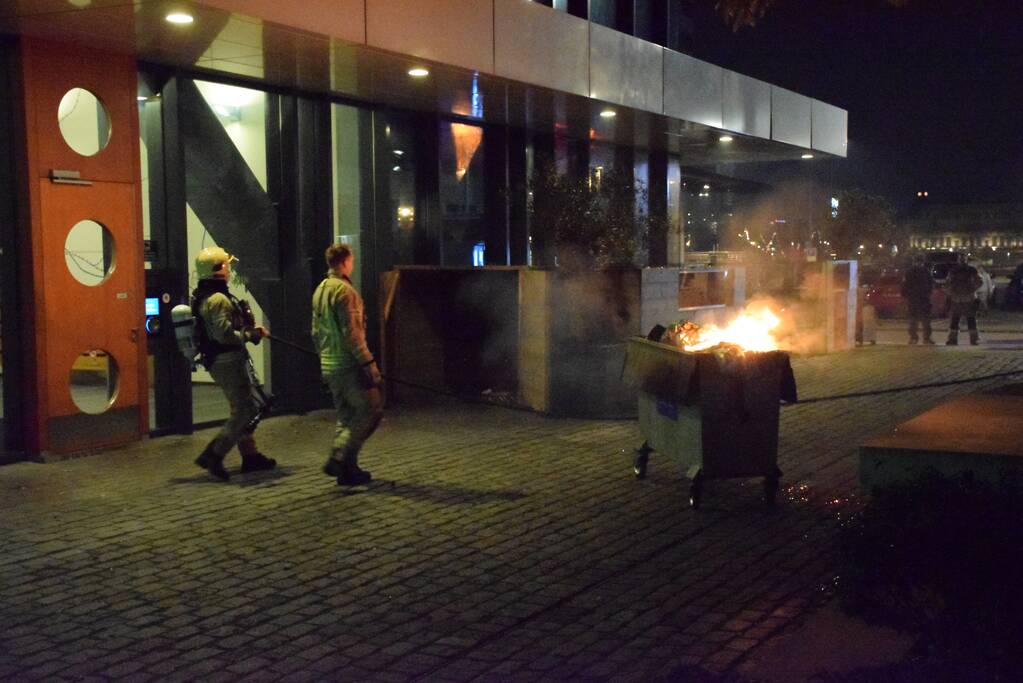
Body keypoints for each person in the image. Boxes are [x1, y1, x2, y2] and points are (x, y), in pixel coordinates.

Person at [192, 246, 276, 480]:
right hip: (227, 359)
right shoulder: (218, 299)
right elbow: (224, 334)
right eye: (227, 266)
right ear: (218, 269)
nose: (229, 270)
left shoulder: (205, 295)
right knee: (245, 411)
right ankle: (214, 455)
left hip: (221, 359)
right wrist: (251, 334)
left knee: (242, 407)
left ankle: (251, 456)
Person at [311, 244, 383, 486]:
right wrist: (369, 364)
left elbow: (315, 332)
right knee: (371, 410)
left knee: (346, 416)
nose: (353, 264)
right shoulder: (345, 292)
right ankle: (340, 456)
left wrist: (323, 360)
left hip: (329, 364)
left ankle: (348, 470)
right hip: (348, 365)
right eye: (351, 260)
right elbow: (353, 334)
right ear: (345, 262)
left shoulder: (320, 290)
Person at [944, 259, 983, 345]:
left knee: (955, 320)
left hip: (956, 299)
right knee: (971, 319)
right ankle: (973, 339)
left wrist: (951, 292)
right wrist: (972, 289)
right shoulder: (971, 270)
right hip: (969, 298)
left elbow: (947, 284)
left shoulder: (953, 271)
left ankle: (953, 339)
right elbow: (979, 281)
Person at [900, 257, 935, 344]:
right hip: (923, 298)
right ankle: (926, 338)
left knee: (913, 319)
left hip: (913, 298)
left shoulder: (909, 272)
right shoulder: (926, 272)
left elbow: (904, 285)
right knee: (925, 319)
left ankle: (914, 337)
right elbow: (931, 284)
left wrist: (905, 295)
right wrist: (928, 293)